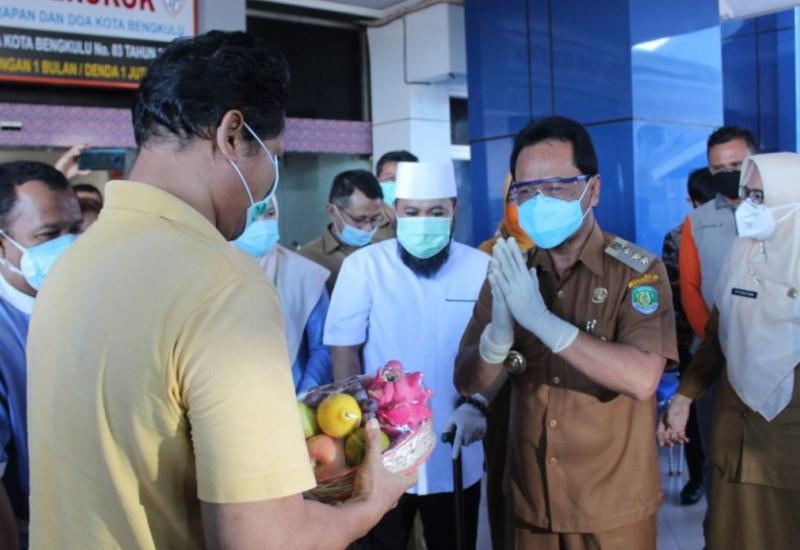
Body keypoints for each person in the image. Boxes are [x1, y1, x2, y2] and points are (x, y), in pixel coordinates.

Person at [25, 31, 416, 550]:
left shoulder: (74, 264)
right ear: (233, 133)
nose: (267, 186)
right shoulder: (223, 284)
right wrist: (374, 500)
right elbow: (264, 541)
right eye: (272, 157)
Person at [455, 116, 678, 549]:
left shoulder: (637, 272)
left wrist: (543, 322)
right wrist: (498, 339)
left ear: (592, 190)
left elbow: (641, 378)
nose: (538, 201)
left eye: (555, 187)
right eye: (524, 190)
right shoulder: (508, 271)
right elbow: (468, 381)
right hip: (529, 498)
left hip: (611, 504)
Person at [324, 161, 489, 550]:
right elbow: (344, 351)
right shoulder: (363, 267)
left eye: (436, 212)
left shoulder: (482, 267)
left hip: (457, 446)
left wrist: (480, 404)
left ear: (454, 212)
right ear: (394, 212)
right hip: (382, 450)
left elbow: (495, 349)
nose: (424, 222)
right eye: (412, 212)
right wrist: (355, 433)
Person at [659, 152, 800, 550]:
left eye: (761, 196)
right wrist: (685, 396)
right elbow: (720, 335)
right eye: (747, 196)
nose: (748, 207)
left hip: (784, 449)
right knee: (725, 533)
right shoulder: (744, 254)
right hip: (732, 436)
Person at [0, 161, 83, 550]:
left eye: (75, 232)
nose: (68, 247)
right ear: (3, 244)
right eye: (49, 235)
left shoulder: (94, 306)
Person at [475, 172, 534, 550]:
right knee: (504, 494)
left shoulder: (571, 252)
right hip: (501, 398)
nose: (531, 206)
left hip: (562, 398)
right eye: (521, 194)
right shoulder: (486, 253)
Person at [233, 196, 332, 393]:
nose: (262, 224)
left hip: (294, 398)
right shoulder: (210, 273)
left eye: (269, 214)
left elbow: (323, 348)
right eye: (252, 217)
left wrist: (304, 396)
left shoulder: (306, 275)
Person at [661, 167, 716, 506]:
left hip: (740, 344)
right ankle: (697, 479)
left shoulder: (746, 231)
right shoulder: (678, 237)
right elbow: (673, 292)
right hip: (693, 343)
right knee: (693, 414)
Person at [300, 170, 387, 293]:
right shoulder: (307, 259)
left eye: (375, 218)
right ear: (332, 211)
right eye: (359, 219)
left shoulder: (385, 250)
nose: (368, 228)